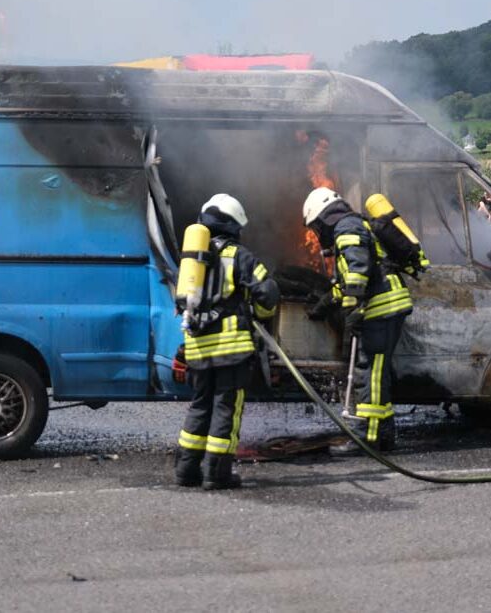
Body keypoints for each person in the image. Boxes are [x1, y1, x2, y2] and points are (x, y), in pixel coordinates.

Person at [175, 194, 280, 490]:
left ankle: (186, 471)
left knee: (199, 407)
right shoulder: (239, 255)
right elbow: (267, 293)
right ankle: (217, 474)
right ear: (233, 225)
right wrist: (259, 314)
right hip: (230, 349)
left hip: (197, 347)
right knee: (225, 409)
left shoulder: (192, 258)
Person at [302, 187, 413, 454]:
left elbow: (357, 271)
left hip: (381, 308)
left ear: (322, 217)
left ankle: (368, 437)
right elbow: (351, 279)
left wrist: (351, 310)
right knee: (377, 373)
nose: (318, 234)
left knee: (369, 374)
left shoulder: (346, 227)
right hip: (388, 305)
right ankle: (384, 433)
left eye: (316, 227)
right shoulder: (351, 224)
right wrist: (326, 303)